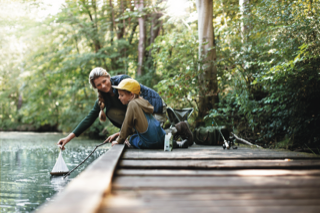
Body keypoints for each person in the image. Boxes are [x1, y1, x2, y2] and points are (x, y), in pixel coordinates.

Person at [58, 67, 166, 149]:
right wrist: (68, 138)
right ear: (96, 87)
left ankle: (172, 131)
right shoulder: (103, 99)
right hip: (142, 119)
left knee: (150, 133)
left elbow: (139, 106)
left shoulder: (123, 81)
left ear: (108, 77)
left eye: (104, 81)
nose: (103, 86)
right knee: (110, 112)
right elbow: (89, 118)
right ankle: (134, 135)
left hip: (156, 109)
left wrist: (121, 137)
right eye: (99, 85)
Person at [104, 78, 193, 149]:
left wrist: (120, 140)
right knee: (152, 134)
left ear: (131, 95)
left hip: (150, 142)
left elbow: (127, 124)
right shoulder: (143, 103)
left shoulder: (132, 104)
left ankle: (175, 143)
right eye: (119, 95)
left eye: (121, 95)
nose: (119, 97)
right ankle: (177, 144)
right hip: (161, 138)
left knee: (132, 139)